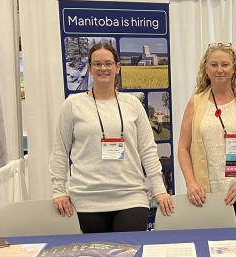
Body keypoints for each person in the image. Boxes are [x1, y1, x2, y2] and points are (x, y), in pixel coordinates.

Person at [50, 43, 173, 233]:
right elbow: (60, 151)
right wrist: (59, 191)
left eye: (108, 63)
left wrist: (159, 189)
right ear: (89, 68)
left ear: (117, 67)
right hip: (87, 198)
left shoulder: (132, 104)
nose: (103, 69)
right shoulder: (73, 105)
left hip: (130, 195)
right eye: (97, 64)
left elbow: (147, 149)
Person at [178, 42, 236, 227]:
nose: (219, 70)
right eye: (214, 64)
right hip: (205, 193)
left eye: (225, 64)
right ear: (206, 68)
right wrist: (191, 183)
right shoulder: (195, 103)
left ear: (234, 68)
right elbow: (182, 148)